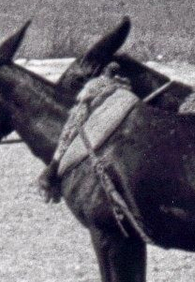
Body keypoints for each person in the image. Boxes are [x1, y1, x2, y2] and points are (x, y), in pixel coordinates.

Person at [38, 62, 138, 202]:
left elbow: (82, 103)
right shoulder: (124, 85)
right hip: (114, 111)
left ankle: (54, 168)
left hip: (93, 113)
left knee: (67, 136)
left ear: (104, 71)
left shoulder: (94, 85)